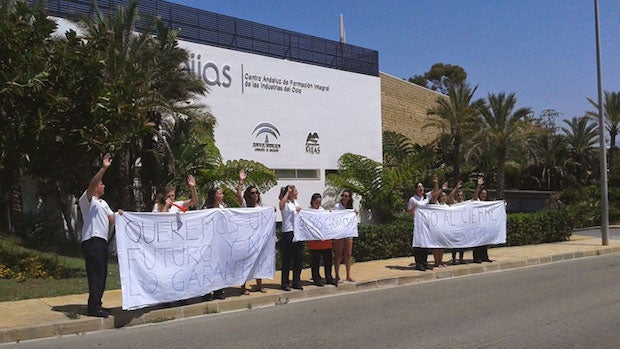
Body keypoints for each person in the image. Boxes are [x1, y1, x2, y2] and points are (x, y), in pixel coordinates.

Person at [79, 153, 119, 318]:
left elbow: (112, 219)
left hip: (101, 241)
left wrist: (123, 215)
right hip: (92, 240)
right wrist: (104, 168)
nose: (103, 186)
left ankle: (97, 304)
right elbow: (92, 183)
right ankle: (94, 308)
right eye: (101, 184)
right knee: (96, 273)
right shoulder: (87, 200)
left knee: (101, 273)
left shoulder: (103, 203)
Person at [236, 169, 267, 294]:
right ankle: (243, 287)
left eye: (257, 193)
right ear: (249, 195)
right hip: (246, 239)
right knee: (245, 263)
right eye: (253, 193)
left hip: (258, 239)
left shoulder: (260, 208)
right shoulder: (244, 206)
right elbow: (238, 195)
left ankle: (259, 285)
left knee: (258, 263)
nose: (255, 195)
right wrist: (241, 181)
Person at [406, 174, 444, 271]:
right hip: (418, 226)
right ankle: (419, 264)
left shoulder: (426, 197)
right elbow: (409, 213)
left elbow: (435, 192)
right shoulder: (413, 199)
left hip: (427, 225)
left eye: (422, 186)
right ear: (416, 189)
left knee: (426, 244)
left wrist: (436, 183)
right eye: (419, 187)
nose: (421, 188)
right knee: (419, 245)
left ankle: (424, 262)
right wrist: (415, 208)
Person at [306, 193, 337, 287]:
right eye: (316, 202)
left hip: (325, 239)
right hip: (314, 240)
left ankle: (328, 277)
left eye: (319, 202)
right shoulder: (308, 211)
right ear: (312, 201)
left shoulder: (322, 210)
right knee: (315, 260)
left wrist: (330, 214)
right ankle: (316, 277)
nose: (318, 204)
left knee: (328, 259)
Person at [278, 185, 303, 291]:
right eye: (295, 191)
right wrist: (287, 192)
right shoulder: (286, 203)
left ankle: (296, 281)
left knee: (298, 259)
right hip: (288, 232)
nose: (297, 193)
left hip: (298, 232)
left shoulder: (295, 203)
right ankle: (285, 283)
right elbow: (281, 205)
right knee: (287, 259)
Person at [205, 186, 227, 300]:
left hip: (220, 243)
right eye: (220, 193)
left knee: (219, 268)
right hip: (209, 243)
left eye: (222, 193)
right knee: (208, 268)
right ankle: (207, 292)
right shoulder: (206, 209)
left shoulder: (223, 208)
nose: (222, 196)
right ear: (214, 196)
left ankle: (219, 291)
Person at [333, 190, 357, 283]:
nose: (343, 197)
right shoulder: (337, 207)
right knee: (338, 254)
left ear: (349, 198)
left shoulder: (351, 208)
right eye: (342, 195)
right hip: (339, 233)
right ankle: (337, 275)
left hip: (348, 233)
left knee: (348, 254)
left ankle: (348, 275)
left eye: (346, 196)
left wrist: (355, 213)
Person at [472, 177, 493, 263]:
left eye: (485, 194)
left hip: (485, 226)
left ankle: (485, 257)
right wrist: (479, 186)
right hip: (477, 225)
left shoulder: (488, 203)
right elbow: (475, 196)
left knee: (485, 243)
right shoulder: (477, 201)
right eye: (482, 193)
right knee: (477, 242)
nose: (484, 195)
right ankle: (477, 258)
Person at [448, 180, 467, 265]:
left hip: (462, 226)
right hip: (455, 227)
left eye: (461, 195)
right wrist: (456, 188)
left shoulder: (466, 204)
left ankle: (461, 259)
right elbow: (450, 196)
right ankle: (454, 259)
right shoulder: (454, 203)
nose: (460, 197)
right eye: (458, 195)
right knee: (454, 245)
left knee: (462, 244)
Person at [431, 188, 449, 268]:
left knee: (441, 246)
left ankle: (440, 261)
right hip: (436, 228)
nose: (444, 197)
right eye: (442, 196)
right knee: (436, 246)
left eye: (445, 196)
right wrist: (441, 189)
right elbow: (434, 198)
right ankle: (436, 262)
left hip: (443, 228)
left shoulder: (447, 206)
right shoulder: (437, 204)